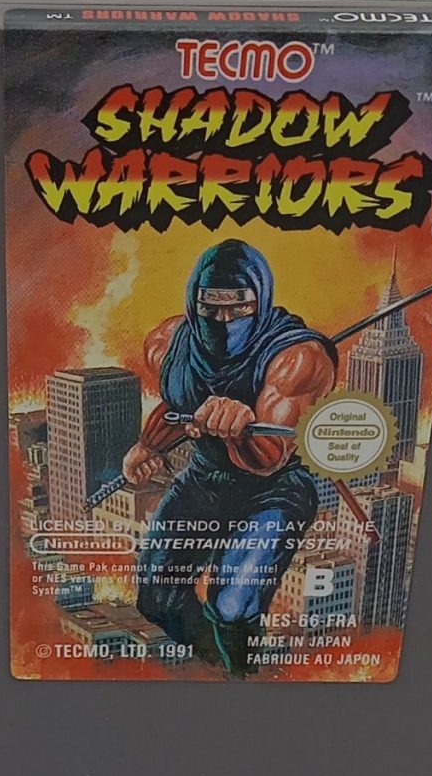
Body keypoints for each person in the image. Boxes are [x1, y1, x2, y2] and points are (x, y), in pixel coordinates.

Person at [122, 240, 334, 677]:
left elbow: (271, 457)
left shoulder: (298, 358)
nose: (223, 321)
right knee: (156, 597)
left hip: (272, 492)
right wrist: (147, 446)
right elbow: (178, 402)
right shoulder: (167, 342)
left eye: (239, 308)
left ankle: (244, 675)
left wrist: (240, 428)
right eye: (211, 308)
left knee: (233, 604)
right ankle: (219, 667)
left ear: (261, 298)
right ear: (194, 301)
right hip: (204, 480)